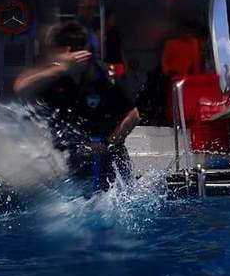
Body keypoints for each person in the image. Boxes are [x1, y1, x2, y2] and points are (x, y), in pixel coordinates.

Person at [14, 21, 140, 191]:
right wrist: (59, 69)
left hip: (107, 155)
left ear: (64, 51)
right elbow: (21, 88)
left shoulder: (102, 75)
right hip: (69, 157)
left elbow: (133, 115)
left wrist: (108, 145)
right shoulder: (52, 77)